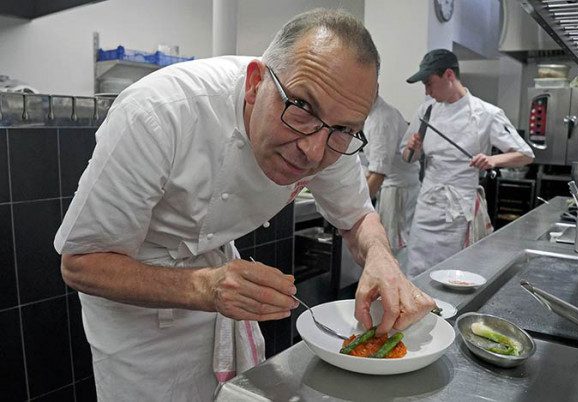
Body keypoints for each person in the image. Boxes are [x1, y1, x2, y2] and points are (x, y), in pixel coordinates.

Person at [54, 9, 434, 401]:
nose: (313, 151)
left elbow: (357, 217)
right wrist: (206, 286)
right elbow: (81, 263)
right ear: (255, 84)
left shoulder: (330, 134)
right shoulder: (157, 113)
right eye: (302, 108)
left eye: (343, 130)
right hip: (136, 323)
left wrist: (382, 258)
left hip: (223, 296)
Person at [400, 49, 534, 278]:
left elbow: (525, 154)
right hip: (427, 206)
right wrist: (414, 148)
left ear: (449, 75)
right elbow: (407, 158)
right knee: (416, 269)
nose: (427, 91)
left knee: (453, 272)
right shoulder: (426, 111)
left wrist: (492, 160)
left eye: (429, 84)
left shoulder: (486, 113)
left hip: (460, 210)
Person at [361, 95, 420, 256]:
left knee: (393, 250)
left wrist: (353, 212)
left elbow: (378, 174)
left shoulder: (381, 119)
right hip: (394, 189)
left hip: (398, 194)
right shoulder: (371, 115)